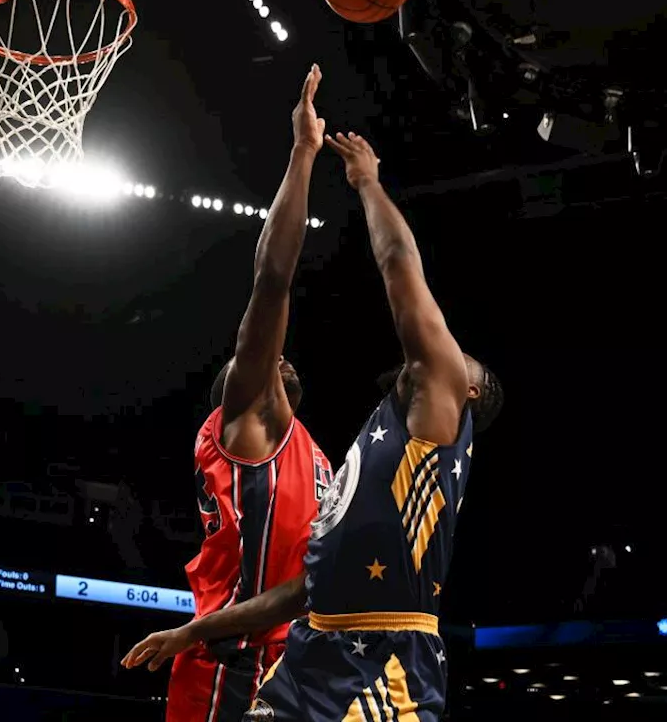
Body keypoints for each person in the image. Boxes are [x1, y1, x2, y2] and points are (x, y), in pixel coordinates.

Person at [125, 130, 504, 722]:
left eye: (463, 358)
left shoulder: (432, 419)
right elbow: (309, 587)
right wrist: (195, 631)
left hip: (382, 660)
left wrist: (367, 182)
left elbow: (399, 266)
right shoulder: (349, 443)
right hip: (296, 649)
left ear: (469, 391)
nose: (449, 350)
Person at [166, 65, 335, 722]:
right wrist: (302, 154)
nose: (280, 359)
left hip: (295, 660)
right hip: (228, 663)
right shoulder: (245, 430)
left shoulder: (313, 453)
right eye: (267, 364)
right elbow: (272, 279)